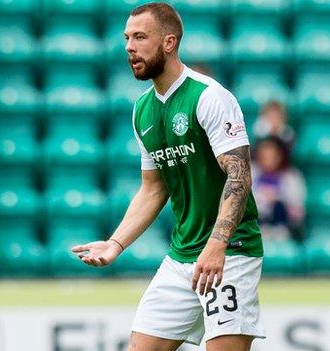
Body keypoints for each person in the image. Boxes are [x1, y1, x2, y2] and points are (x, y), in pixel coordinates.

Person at [71, 3, 265, 351]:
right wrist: (116, 243)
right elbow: (152, 188)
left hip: (230, 253)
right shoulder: (143, 109)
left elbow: (239, 177)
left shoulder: (208, 96)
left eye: (140, 37)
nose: (129, 46)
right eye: (127, 37)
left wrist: (217, 245)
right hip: (182, 256)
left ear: (169, 42)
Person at [252, 136, 306, 240]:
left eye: (272, 156)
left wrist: (277, 198)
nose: (268, 160)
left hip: (282, 230)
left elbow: (297, 212)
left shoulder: (292, 177)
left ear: (281, 156)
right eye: (264, 156)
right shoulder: (250, 173)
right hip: (255, 228)